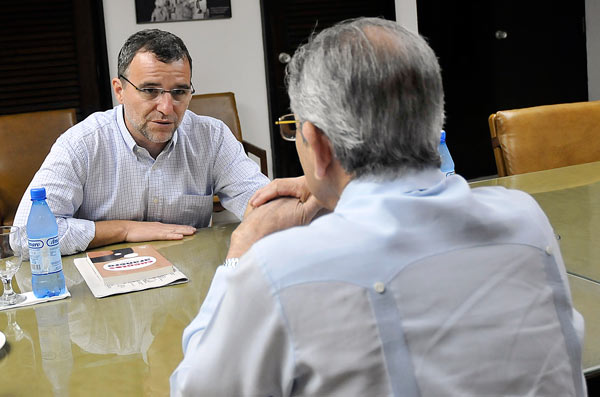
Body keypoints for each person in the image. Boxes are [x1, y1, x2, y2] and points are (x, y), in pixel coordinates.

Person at [170, 17, 586, 396]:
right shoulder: (527, 222)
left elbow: (194, 389)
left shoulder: (279, 269)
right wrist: (334, 191)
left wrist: (243, 250)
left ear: (316, 145)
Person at [13, 29, 269, 256]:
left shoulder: (211, 138)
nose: (167, 108)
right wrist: (122, 229)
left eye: (179, 92)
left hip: (187, 275)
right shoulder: (82, 143)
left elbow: (262, 205)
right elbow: (24, 236)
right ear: (119, 90)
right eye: (150, 91)